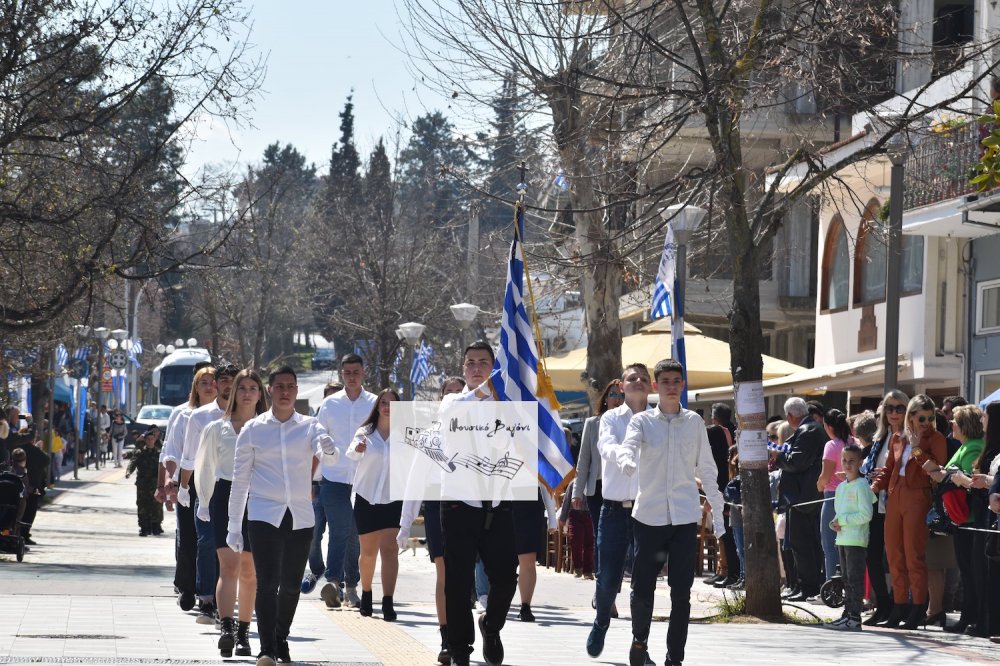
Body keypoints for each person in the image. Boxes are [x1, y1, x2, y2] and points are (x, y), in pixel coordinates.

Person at [226, 366, 340, 666]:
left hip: (300, 516)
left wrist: (328, 448)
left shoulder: (310, 425)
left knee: (291, 585)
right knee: (267, 583)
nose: (285, 391)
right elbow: (240, 481)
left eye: (291, 386)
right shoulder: (253, 429)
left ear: (297, 391)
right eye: (280, 386)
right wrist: (233, 527)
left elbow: (327, 452)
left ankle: (280, 637)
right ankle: (265, 649)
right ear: (270, 390)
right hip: (264, 513)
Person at [616, 359, 724, 666]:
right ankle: (639, 644)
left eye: (677, 381)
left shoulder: (694, 423)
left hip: (685, 516)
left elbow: (707, 467)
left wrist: (717, 510)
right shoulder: (642, 422)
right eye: (666, 381)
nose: (672, 387)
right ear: (655, 386)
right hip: (649, 516)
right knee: (643, 587)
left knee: (682, 593)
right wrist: (626, 461)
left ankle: (675, 658)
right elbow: (628, 445)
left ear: (683, 384)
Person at [439, 341, 517, 666]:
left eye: (483, 362)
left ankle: (491, 625)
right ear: (463, 368)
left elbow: (510, 441)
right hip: (459, 504)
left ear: (493, 368)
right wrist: (482, 397)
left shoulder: (505, 404)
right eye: (470, 362)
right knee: (458, 581)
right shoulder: (452, 401)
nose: (475, 368)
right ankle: (460, 648)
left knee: (505, 577)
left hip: (497, 502)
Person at [196, 369, 268, 658]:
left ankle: (244, 632)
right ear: (233, 392)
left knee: (249, 570)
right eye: (242, 388)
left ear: (261, 393)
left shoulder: (268, 428)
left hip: (259, 498)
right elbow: (205, 466)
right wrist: (203, 501)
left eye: (253, 388)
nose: (247, 393)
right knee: (228, 567)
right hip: (224, 496)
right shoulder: (217, 428)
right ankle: (226, 627)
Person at [586, 363, 653, 660]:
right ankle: (601, 620)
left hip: (648, 512)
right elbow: (607, 447)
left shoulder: (659, 419)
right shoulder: (610, 418)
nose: (637, 382)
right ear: (621, 386)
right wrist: (625, 456)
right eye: (631, 378)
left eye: (643, 378)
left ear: (650, 386)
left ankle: (640, 644)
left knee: (644, 583)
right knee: (608, 579)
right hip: (613, 511)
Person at [397, 375, 465, 665]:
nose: (453, 399)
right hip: (439, 506)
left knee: (468, 577)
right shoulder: (431, 436)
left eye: (459, 394)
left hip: (474, 508)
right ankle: (447, 637)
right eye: (448, 394)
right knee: (445, 573)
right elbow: (415, 481)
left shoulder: (484, 431)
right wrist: (405, 522)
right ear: (440, 400)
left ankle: (481, 624)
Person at [871, 393, 947, 629]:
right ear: (911, 417)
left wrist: (916, 449)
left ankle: (918, 608)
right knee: (894, 554)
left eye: (929, 418)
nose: (925, 423)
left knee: (914, 554)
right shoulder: (897, 437)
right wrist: (871, 488)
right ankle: (899, 605)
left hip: (917, 496)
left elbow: (935, 471)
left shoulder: (935, 439)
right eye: (921, 418)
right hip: (895, 495)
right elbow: (888, 469)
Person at [315, 353, 377, 610]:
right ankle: (333, 582)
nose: (351, 376)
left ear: (364, 372)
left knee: (355, 534)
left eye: (356, 372)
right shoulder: (329, 404)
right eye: (347, 372)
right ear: (342, 374)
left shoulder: (374, 403)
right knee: (340, 530)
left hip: (364, 478)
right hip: (334, 477)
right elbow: (317, 440)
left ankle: (351, 586)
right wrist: (314, 479)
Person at [178, 362, 238, 624]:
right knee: (207, 543)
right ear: (216, 384)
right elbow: (189, 457)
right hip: (207, 491)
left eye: (232, 380)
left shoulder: (253, 418)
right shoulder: (200, 417)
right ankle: (206, 600)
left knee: (236, 550)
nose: (227, 384)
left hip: (240, 492)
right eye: (223, 380)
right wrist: (183, 487)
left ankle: (234, 600)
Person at [921, 404, 984, 632]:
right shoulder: (964, 445)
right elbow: (950, 474)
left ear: (964, 425)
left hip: (969, 515)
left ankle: (970, 616)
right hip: (959, 516)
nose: (951, 425)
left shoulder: (974, 447)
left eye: (954, 422)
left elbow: (965, 478)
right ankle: (968, 615)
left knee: (969, 569)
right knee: (966, 568)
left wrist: (942, 474)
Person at [162, 365, 218, 612]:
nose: (210, 386)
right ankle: (186, 586)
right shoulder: (183, 414)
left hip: (216, 482)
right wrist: (170, 481)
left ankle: (210, 589)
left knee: (211, 540)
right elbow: (172, 450)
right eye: (204, 382)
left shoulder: (226, 414)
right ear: (196, 386)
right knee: (188, 538)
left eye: (213, 381)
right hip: (188, 481)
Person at [347, 388, 404, 620]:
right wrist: (358, 449)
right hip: (366, 498)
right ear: (377, 406)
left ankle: (388, 601)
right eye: (383, 402)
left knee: (390, 551)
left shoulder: (406, 434)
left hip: (393, 498)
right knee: (368, 553)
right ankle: (367, 594)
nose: (387, 407)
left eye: (392, 403)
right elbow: (352, 453)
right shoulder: (366, 432)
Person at [859, 390, 907, 625]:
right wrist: (870, 475)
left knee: (899, 557)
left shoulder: (910, 437)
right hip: (876, 502)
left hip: (899, 502)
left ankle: (903, 606)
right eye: (889, 408)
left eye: (899, 408)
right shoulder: (880, 438)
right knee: (872, 554)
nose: (894, 413)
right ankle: (884, 604)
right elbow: (867, 468)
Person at [572, 379, 624, 579]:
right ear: (605, 399)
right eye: (613, 395)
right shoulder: (592, 423)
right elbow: (584, 459)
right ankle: (602, 582)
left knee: (619, 538)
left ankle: (613, 580)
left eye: (621, 395)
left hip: (621, 487)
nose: (617, 399)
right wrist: (577, 491)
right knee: (600, 536)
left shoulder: (632, 422)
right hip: (598, 487)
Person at [775, 397, 826, 601]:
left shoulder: (809, 430)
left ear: (790, 416)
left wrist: (777, 457)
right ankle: (805, 586)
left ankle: (808, 587)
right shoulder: (808, 429)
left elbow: (796, 461)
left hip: (803, 497)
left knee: (802, 544)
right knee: (802, 544)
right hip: (802, 496)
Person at [823, 444, 876, 631]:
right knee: (846, 579)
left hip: (856, 540)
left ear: (860, 462)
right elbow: (840, 513)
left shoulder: (862, 486)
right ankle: (848, 613)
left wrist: (842, 521)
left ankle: (854, 617)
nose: (847, 464)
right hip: (843, 539)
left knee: (854, 579)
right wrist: (835, 523)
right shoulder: (841, 487)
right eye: (844, 460)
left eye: (852, 461)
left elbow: (866, 515)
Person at [302, 381, 344, 595]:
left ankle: (337, 579)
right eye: (328, 397)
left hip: (339, 486)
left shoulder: (346, 424)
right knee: (313, 533)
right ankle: (316, 569)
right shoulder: (312, 424)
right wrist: (308, 482)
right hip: (316, 487)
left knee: (340, 534)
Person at [817, 409, 853, 581]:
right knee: (849, 545)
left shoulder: (831, 446)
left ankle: (832, 585)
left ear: (829, 427)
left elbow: (825, 477)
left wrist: (819, 485)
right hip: (854, 497)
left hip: (833, 497)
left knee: (830, 545)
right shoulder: (854, 442)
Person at [126, 429, 164, 536]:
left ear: (154, 440)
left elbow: (163, 467)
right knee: (142, 505)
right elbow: (132, 462)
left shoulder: (159, 454)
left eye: (152, 439)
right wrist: (128, 472)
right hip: (143, 485)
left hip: (155, 484)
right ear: (145, 440)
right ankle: (144, 527)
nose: (150, 441)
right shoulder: (140, 452)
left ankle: (156, 526)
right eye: (148, 439)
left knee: (156, 506)